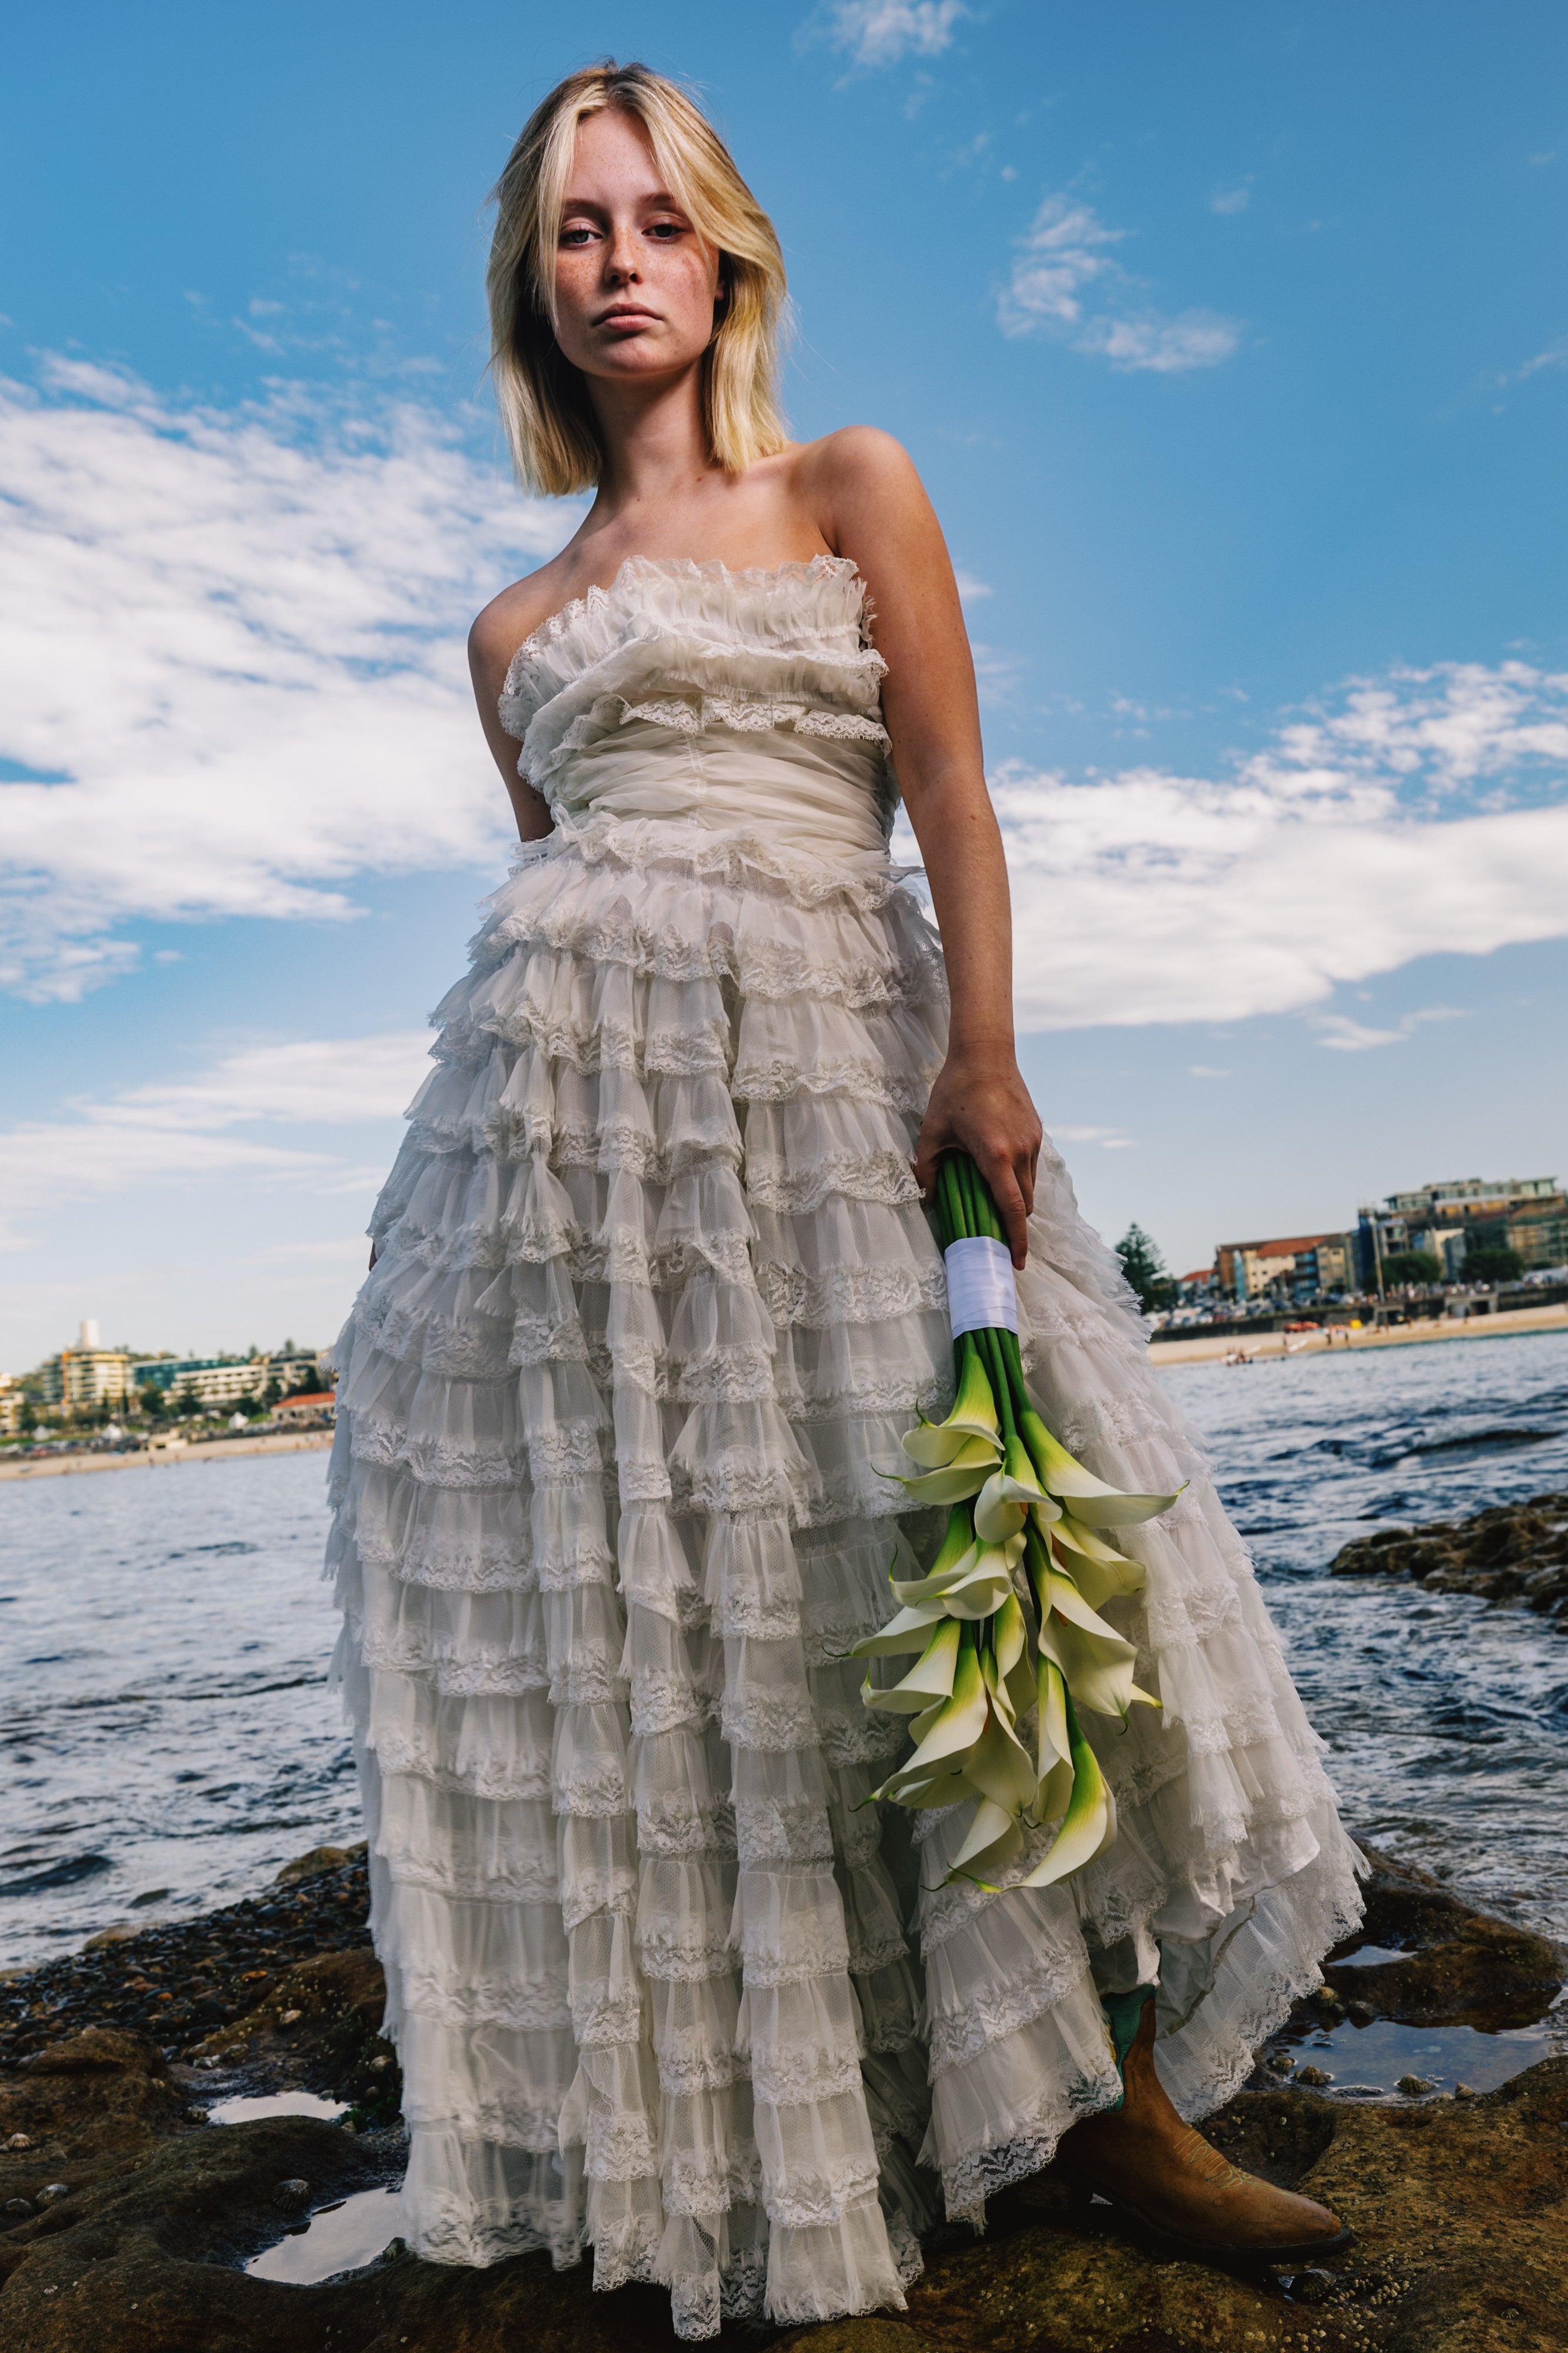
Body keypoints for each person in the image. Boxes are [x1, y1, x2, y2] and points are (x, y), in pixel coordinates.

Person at [328, 61, 1362, 2340]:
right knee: (710, 1628)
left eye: (657, 224)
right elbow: (562, 871)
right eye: (578, 230)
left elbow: (952, 795)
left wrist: (980, 1050)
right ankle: (824, 2115)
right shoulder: (512, 631)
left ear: (729, 256)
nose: (620, 266)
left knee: (987, 1536)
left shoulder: (845, 482)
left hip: (841, 1071)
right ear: (534, 276)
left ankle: (1111, 2109)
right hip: (577, 1164)